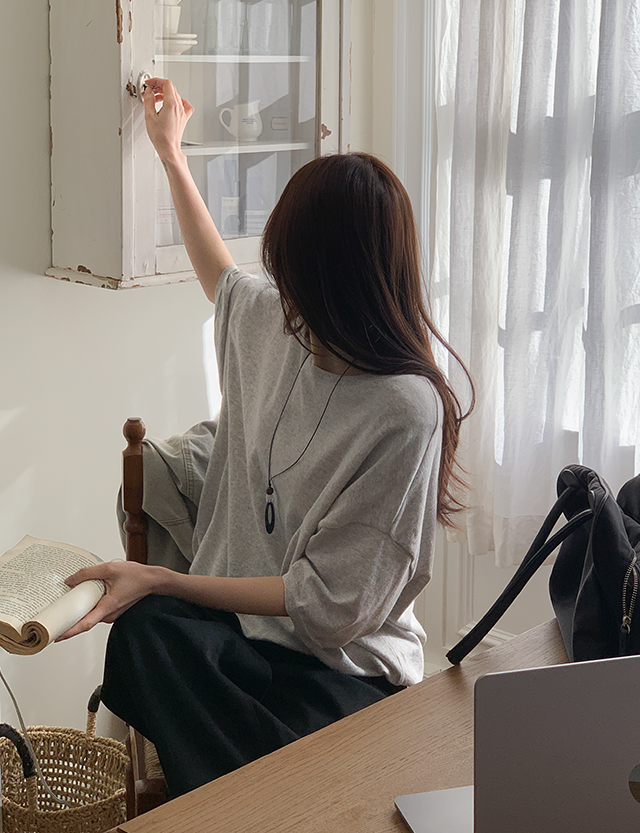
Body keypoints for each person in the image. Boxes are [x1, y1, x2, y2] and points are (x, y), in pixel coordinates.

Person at [59, 78, 473, 797]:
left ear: (345, 288)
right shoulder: (280, 321)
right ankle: (269, 793)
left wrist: (163, 576)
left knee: (263, 724)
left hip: (343, 668)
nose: (287, 304)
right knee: (143, 635)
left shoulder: (407, 411)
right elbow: (219, 274)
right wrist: (170, 153)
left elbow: (327, 608)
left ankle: (264, 794)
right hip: (249, 640)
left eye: (300, 284)